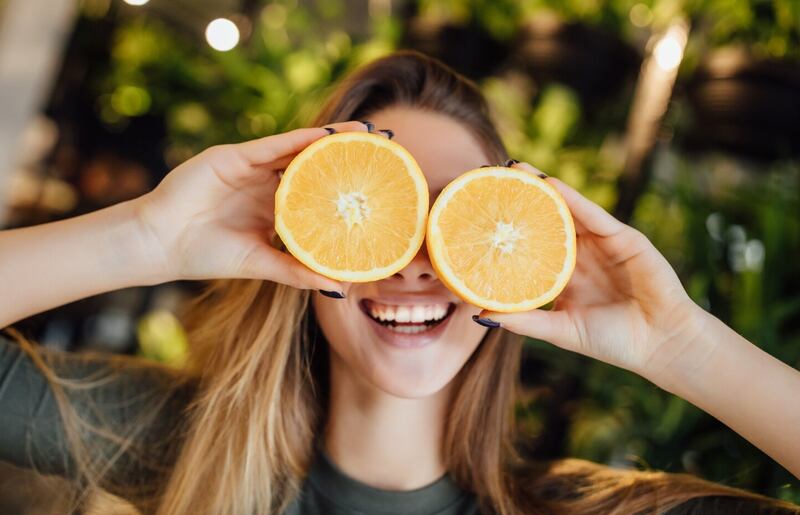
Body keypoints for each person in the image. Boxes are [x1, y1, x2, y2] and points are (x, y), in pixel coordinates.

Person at [0, 50, 798, 515]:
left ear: (509, 251)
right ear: (299, 237)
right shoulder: (186, 444)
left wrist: (684, 347)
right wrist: (145, 239)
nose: (416, 261)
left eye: (453, 214)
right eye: (376, 211)